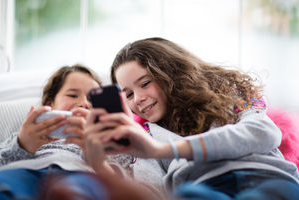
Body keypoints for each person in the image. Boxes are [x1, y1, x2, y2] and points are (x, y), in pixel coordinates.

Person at [84, 37, 299, 200]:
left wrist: (163, 150)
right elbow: (150, 189)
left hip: (267, 177)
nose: (138, 99)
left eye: (145, 83)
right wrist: (101, 166)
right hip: (203, 189)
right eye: (129, 94)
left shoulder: (232, 95)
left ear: (170, 73)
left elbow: (263, 133)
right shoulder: (145, 135)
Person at [0, 64, 134, 200]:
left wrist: (96, 156)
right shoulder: (25, 135)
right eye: (72, 95)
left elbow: (122, 186)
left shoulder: (111, 139)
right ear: (50, 103)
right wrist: (22, 146)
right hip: (24, 172)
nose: (84, 103)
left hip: (80, 176)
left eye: (92, 98)